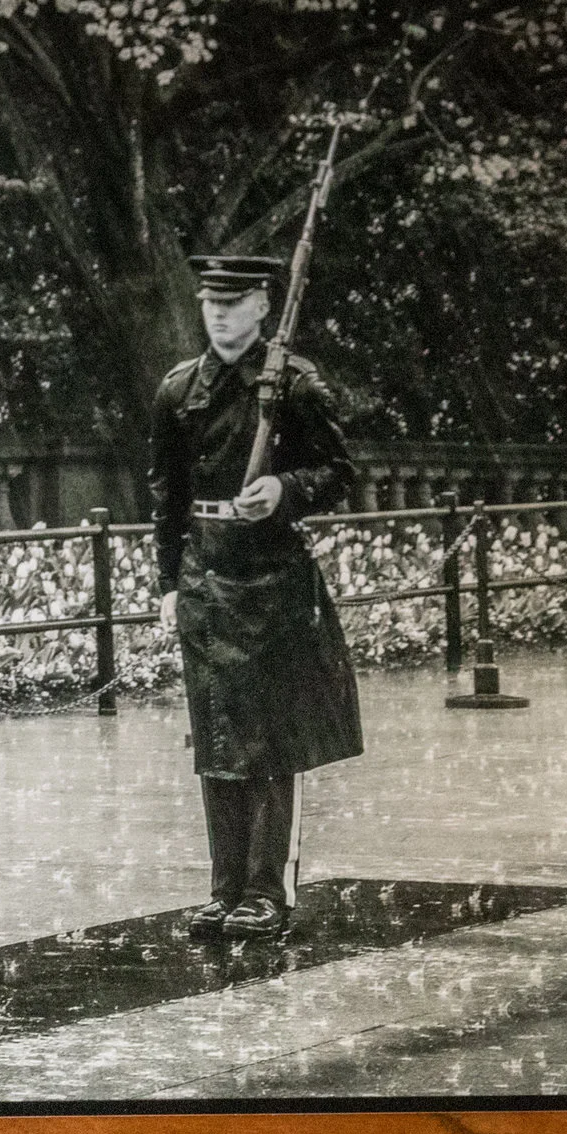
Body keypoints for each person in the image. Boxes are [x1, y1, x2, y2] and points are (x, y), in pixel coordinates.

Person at [149, 254, 365, 940]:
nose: (219, 313)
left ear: (263, 306)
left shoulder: (296, 387)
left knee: (273, 741)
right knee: (215, 739)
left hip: (272, 579)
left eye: (234, 303)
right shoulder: (179, 391)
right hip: (207, 578)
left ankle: (267, 892)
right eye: (211, 303)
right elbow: (167, 498)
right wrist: (167, 584)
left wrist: (285, 489)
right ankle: (224, 890)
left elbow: (341, 472)